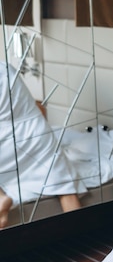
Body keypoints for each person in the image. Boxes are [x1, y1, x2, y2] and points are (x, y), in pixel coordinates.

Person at [0, 62, 82, 228]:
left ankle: (1, 197)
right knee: (66, 190)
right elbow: (40, 110)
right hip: (37, 134)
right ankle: (82, 235)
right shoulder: (5, 66)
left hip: (5, 140)